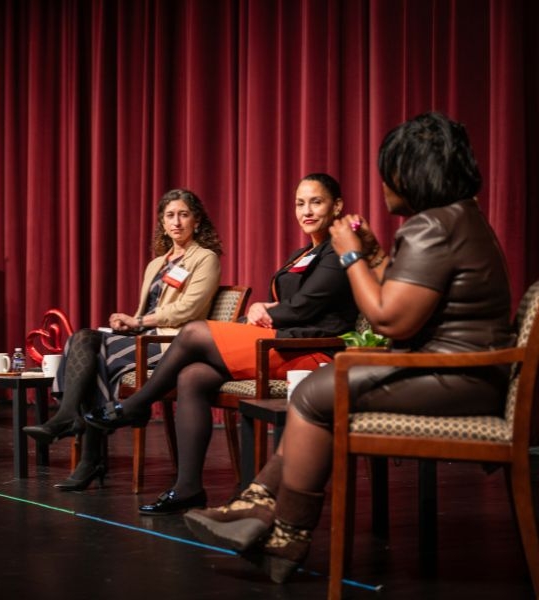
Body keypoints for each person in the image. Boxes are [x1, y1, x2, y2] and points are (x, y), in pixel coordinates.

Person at [183, 112, 514, 583]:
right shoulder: (455, 218)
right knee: (322, 389)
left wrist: (350, 253)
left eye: (388, 171)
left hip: (459, 377)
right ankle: (259, 512)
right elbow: (403, 301)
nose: (382, 183)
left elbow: (389, 318)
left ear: (410, 173)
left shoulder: (433, 227)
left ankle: (283, 530)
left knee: (319, 392)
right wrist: (374, 254)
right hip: (467, 373)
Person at [85, 173, 359, 515]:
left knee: (194, 332)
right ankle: (188, 489)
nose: (306, 210)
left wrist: (271, 312)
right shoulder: (302, 252)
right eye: (300, 203)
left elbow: (308, 306)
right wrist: (266, 308)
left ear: (337, 206)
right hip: (282, 340)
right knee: (193, 377)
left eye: (316, 202)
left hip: (309, 351)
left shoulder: (338, 250)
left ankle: (138, 403)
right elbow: (301, 300)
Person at [23, 189, 223, 491]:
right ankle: (71, 423)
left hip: (175, 344)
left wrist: (138, 322)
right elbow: (148, 310)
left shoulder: (205, 258)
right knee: (84, 337)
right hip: (143, 338)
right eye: (170, 215)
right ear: (162, 222)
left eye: (184, 214)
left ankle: (83, 446)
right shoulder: (156, 264)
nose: (177, 222)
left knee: (95, 357)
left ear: (197, 220)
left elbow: (188, 309)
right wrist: (127, 322)